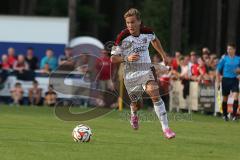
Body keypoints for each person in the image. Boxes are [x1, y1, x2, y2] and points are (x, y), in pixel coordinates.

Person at [111, 8, 175, 139]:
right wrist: (126, 58)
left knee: (154, 94)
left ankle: (166, 129)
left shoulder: (148, 32)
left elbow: (155, 40)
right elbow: (113, 58)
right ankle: (134, 114)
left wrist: (163, 55)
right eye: (128, 23)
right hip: (131, 74)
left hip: (146, 69)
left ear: (139, 22)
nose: (130, 25)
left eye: (133, 22)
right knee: (137, 104)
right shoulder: (122, 37)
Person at [216, 43, 240, 121]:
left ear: (234, 50)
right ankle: (225, 115)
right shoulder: (224, 59)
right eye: (228, 49)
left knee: (236, 96)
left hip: (234, 80)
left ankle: (234, 115)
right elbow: (218, 70)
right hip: (225, 80)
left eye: (230, 49)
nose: (228, 50)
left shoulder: (238, 58)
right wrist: (218, 81)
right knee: (225, 98)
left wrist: (239, 71)